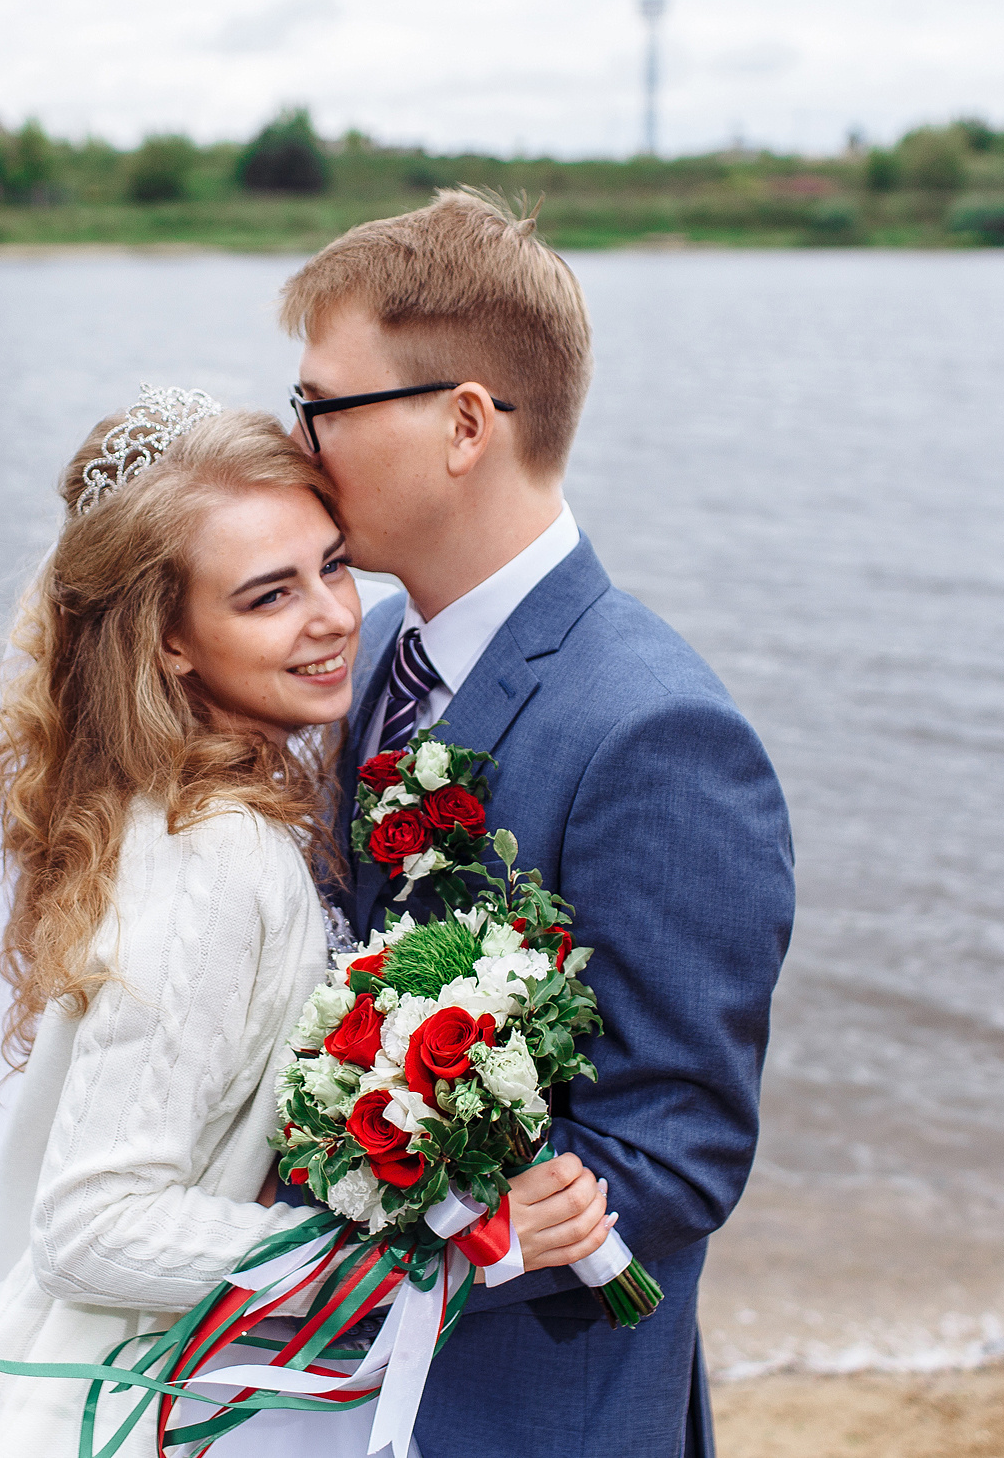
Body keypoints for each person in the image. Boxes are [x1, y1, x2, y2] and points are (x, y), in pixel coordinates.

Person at [0, 393, 617, 1458]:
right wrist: (434, 1249)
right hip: (140, 1398)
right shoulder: (212, 858)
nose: (335, 616)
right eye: (267, 596)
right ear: (168, 639)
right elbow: (95, 1226)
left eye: (332, 566)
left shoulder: (171, 801)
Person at [280, 189, 796, 1458]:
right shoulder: (373, 647)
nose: (296, 448)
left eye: (323, 410)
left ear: (464, 423)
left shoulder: (656, 733)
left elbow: (677, 1144)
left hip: (521, 1407)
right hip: (341, 1379)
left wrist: (409, 1205)